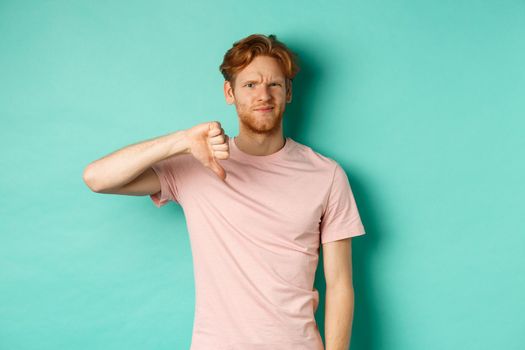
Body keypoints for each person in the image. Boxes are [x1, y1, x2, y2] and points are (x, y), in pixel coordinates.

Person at [83, 33, 366, 350]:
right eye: (250, 85)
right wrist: (181, 141)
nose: (263, 95)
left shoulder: (326, 175)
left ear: (288, 92)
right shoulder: (196, 166)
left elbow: (340, 283)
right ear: (229, 92)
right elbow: (97, 178)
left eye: (274, 84)